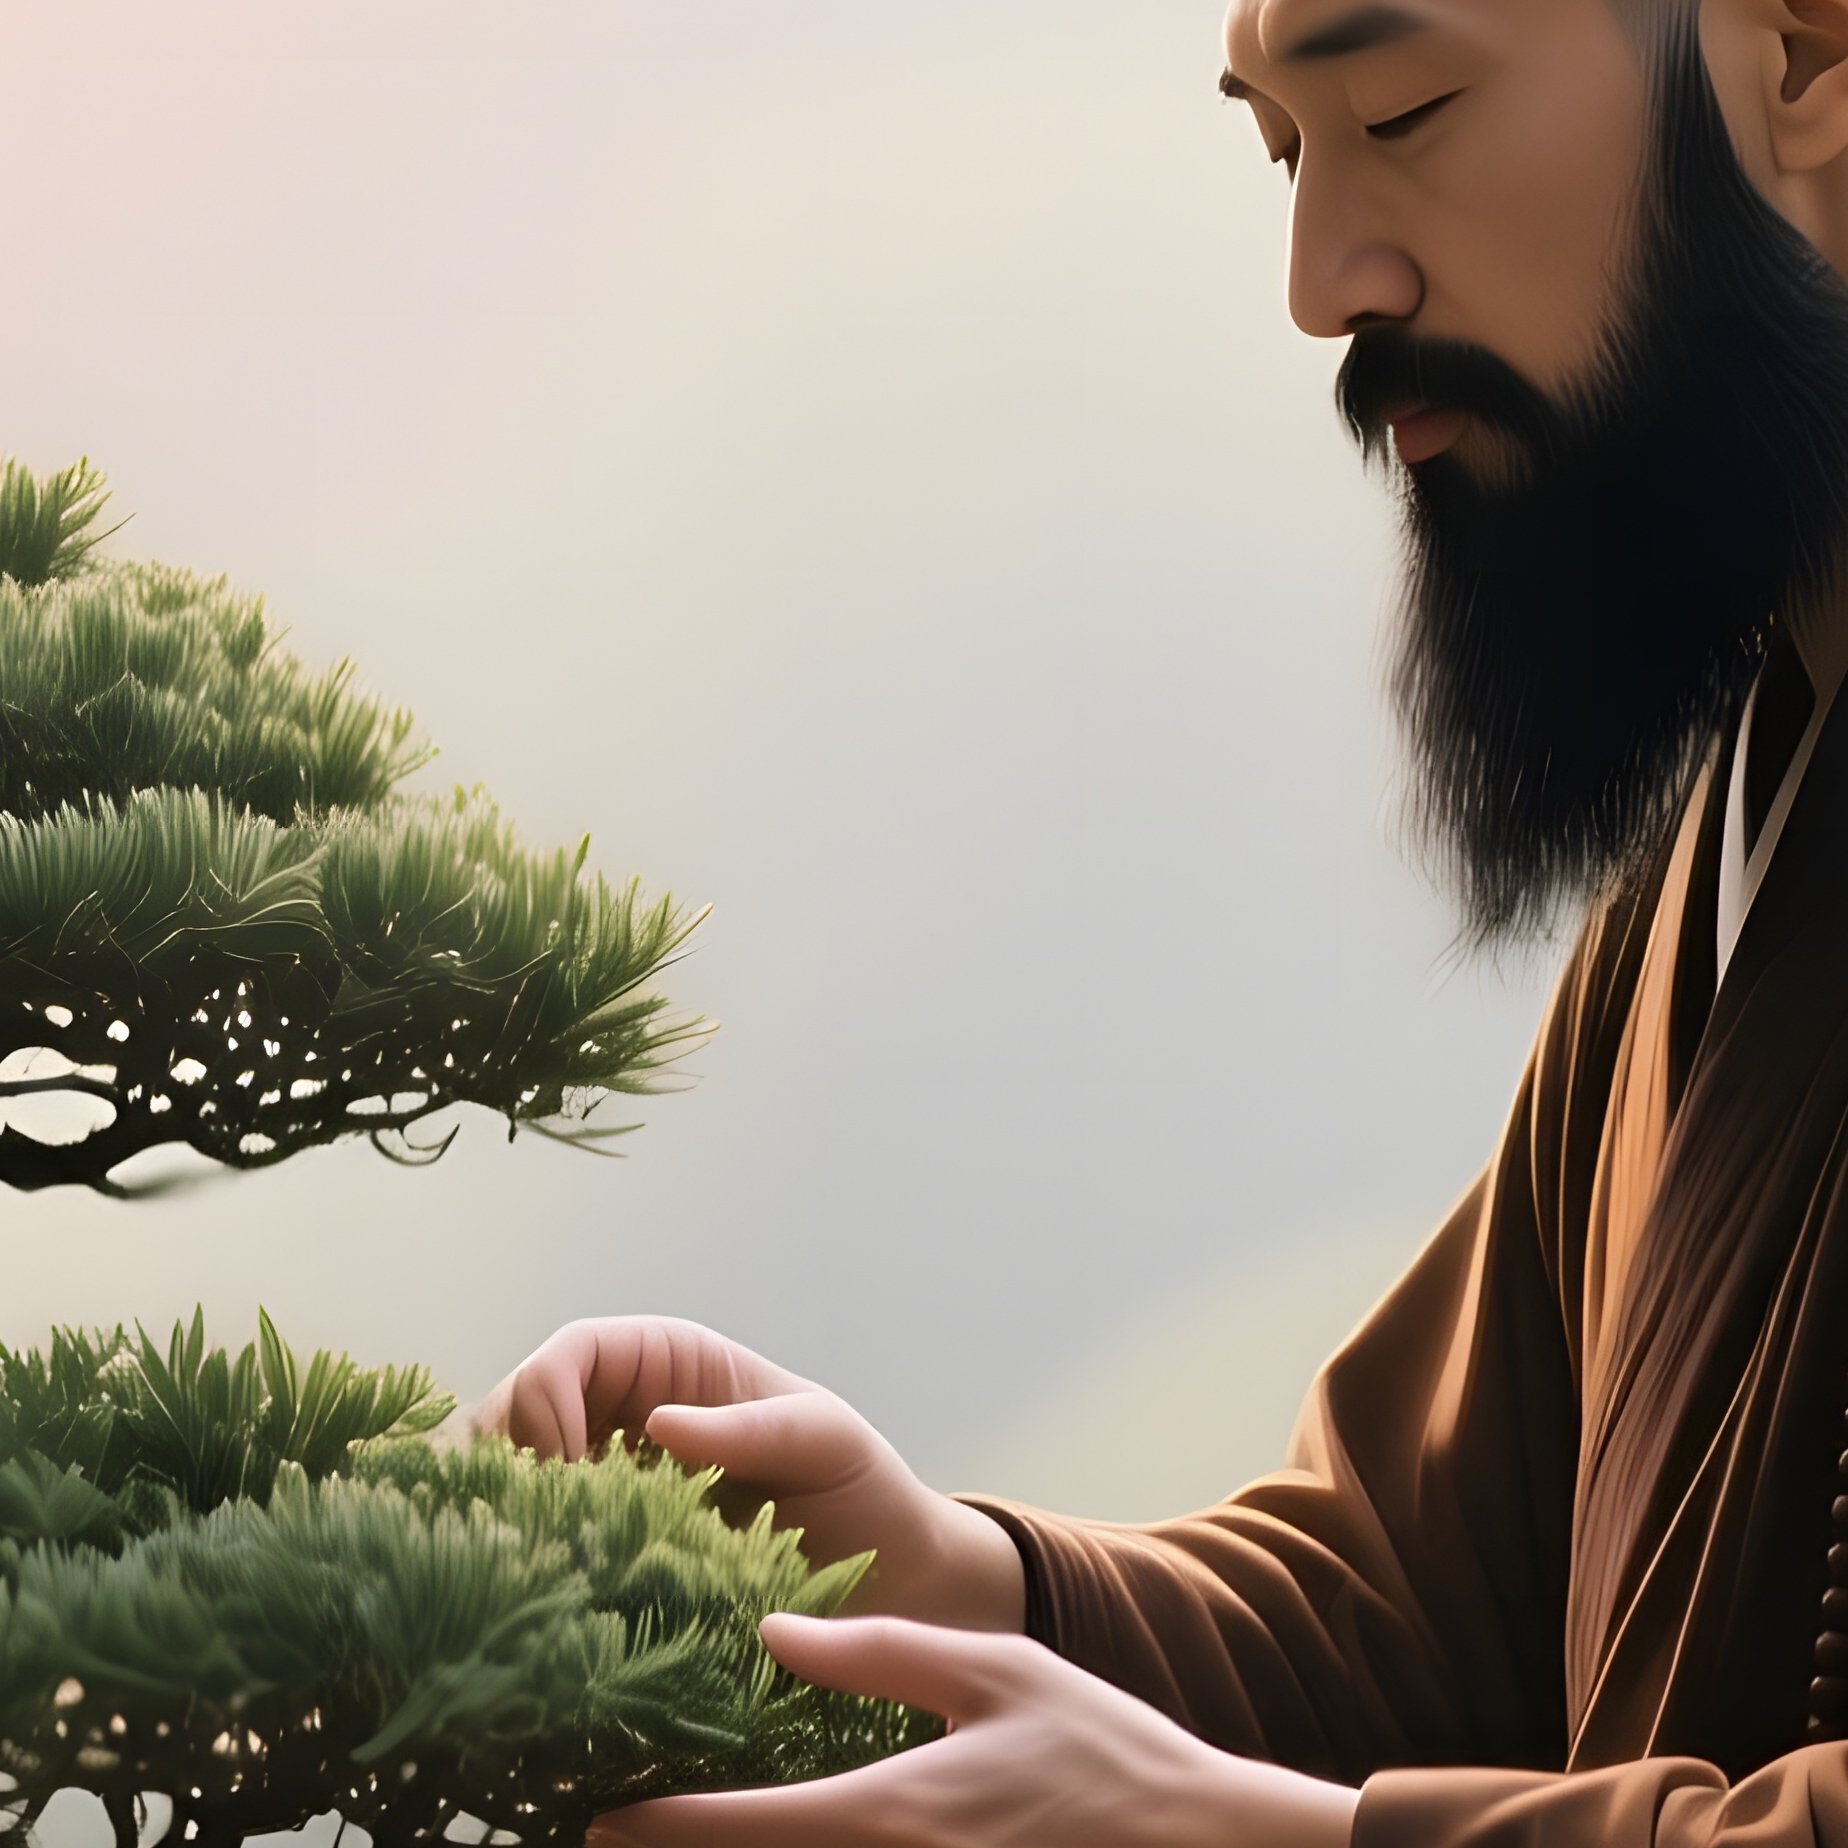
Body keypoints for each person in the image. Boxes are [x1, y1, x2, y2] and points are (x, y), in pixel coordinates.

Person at [473, 0, 1848, 1839]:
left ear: (1808, 52)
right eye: (1284, 151)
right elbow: (1435, 1598)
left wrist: (1235, 1833)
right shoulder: (1754, 781)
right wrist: (957, 1591)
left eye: (1407, 110)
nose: (1319, 281)